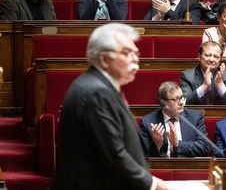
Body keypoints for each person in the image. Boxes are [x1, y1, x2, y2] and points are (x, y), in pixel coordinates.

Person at [53, 23, 167, 190]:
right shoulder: (96, 92)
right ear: (105, 59)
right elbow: (114, 153)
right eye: (127, 53)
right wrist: (152, 184)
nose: (135, 59)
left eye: (136, 53)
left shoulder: (99, 86)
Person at [140, 81, 211, 157]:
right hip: (162, 167)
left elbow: (205, 147)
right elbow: (142, 155)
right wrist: (157, 145)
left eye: (181, 97)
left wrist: (178, 144)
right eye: (176, 99)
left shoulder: (194, 117)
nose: (181, 102)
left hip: (188, 166)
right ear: (163, 103)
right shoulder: (148, 122)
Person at [180, 41, 226, 105]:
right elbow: (184, 102)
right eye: (207, 55)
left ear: (220, 59)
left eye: (216, 57)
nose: (212, 60)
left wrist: (220, 85)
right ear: (199, 56)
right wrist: (204, 86)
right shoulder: (187, 76)